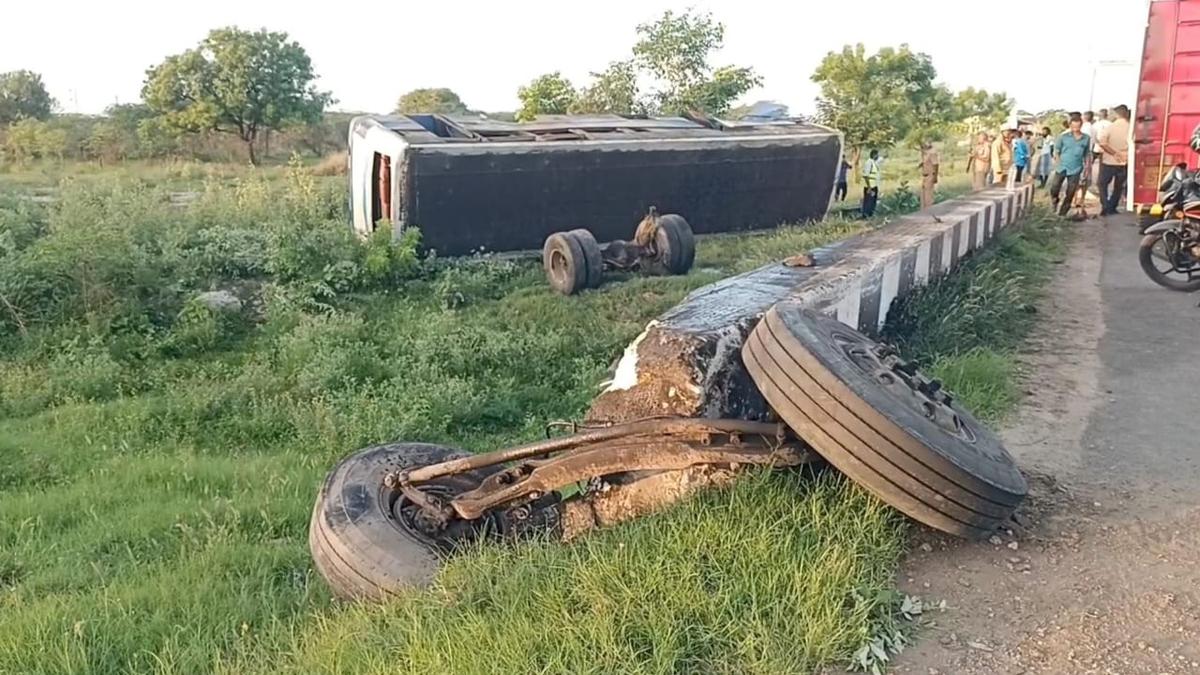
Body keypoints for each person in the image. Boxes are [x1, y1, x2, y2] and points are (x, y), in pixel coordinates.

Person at [1050, 113, 1091, 217]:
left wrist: (1087, 168)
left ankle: (1062, 213)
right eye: (1073, 127)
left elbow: (1087, 154)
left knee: (1071, 191)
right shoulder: (1063, 137)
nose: (1075, 129)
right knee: (1054, 187)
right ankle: (1055, 201)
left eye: (1077, 127)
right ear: (1070, 126)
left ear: (1081, 125)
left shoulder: (1086, 138)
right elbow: (1056, 151)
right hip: (1062, 166)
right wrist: (1058, 162)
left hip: (1076, 168)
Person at [1096, 104, 1131, 215]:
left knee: (1102, 184)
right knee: (1118, 186)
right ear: (1126, 113)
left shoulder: (1110, 127)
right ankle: (1112, 206)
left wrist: (1114, 153)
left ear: (1116, 114)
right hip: (1125, 161)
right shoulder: (1131, 128)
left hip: (1109, 160)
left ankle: (1105, 205)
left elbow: (1102, 143)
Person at [919, 142, 940, 209]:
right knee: (923, 198)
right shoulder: (925, 153)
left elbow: (936, 165)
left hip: (930, 176)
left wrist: (935, 177)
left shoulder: (932, 153)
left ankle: (929, 213)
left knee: (928, 197)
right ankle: (924, 213)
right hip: (924, 176)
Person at [861, 149, 882, 217]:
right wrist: (869, 187)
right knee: (868, 201)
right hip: (870, 186)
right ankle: (866, 215)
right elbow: (866, 176)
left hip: (874, 185)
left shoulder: (873, 162)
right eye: (877, 155)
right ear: (874, 155)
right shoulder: (869, 163)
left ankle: (870, 214)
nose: (878, 156)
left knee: (873, 201)